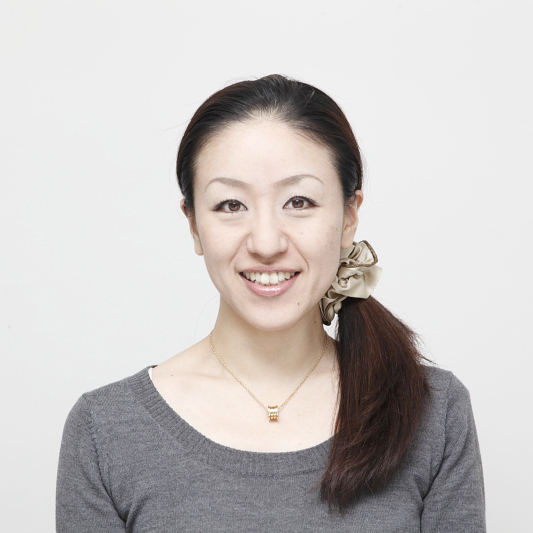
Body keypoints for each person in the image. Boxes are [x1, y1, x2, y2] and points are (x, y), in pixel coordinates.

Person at [56, 74, 486, 532]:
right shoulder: (105, 431)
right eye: (230, 205)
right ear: (193, 225)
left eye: (299, 201)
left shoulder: (433, 411)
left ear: (348, 216)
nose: (266, 243)